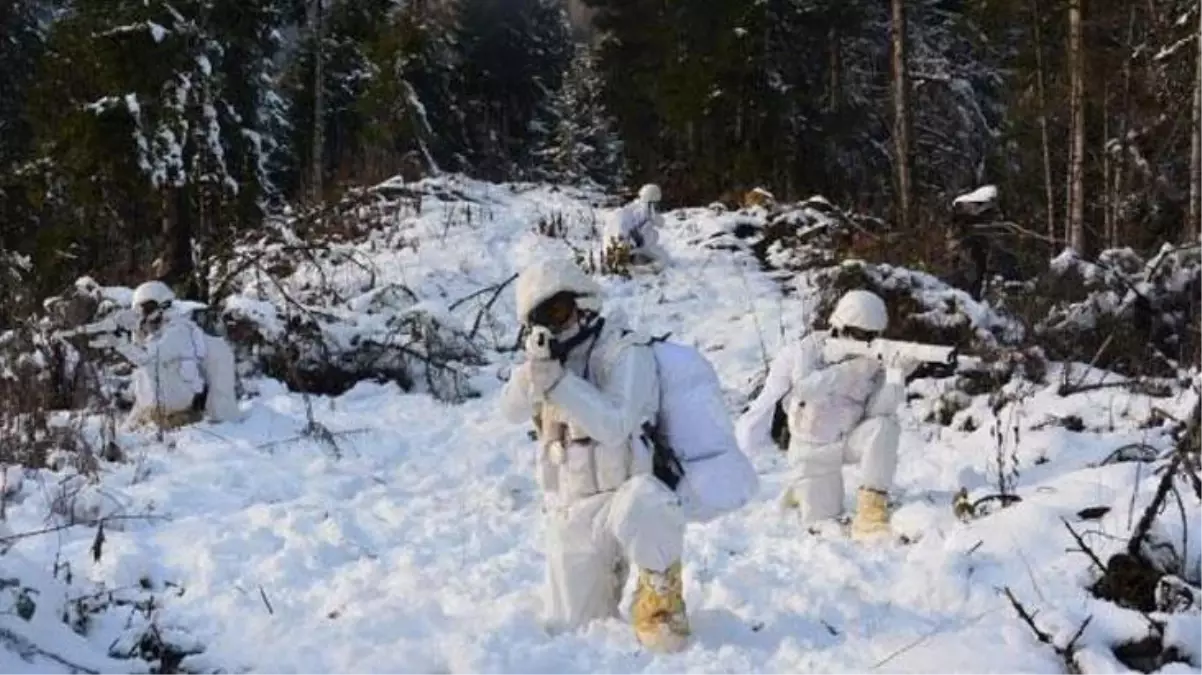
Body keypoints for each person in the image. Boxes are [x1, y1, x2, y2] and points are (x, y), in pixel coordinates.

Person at [499, 258, 690, 652]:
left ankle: (661, 600)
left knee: (647, 502)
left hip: (626, 499)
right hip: (574, 510)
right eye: (543, 318)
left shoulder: (624, 349)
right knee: (575, 632)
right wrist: (534, 372)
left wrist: (560, 383)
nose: (556, 324)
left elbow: (616, 423)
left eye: (560, 310)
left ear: (583, 304)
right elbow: (510, 411)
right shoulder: (549, 360)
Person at [735, 290, 915, 539]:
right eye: (862, 335)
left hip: (846, 442)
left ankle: (871, 512)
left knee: (885, 427)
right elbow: (804, 389)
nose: (867, 342)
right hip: (812, 453)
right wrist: (851, 369)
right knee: (823, 525)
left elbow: (877, 412)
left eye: (873, 336)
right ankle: (800, 490)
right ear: (840, 327)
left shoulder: (873, 361)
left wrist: (896, 375)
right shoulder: (805, 351)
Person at [119, 281, 236, 430]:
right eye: (141, 311)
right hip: (155, 415)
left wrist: (120, 344)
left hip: (179, 417)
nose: (144, 317)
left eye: (148, 309)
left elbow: (148, 358)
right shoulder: (154, 336)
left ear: (163, 306)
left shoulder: (179, 330)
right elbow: (146, 374)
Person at [603, 183, 669, 268]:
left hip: (620, 249)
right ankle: (647, 269)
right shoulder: (641, 212)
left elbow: (658, 222)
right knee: (663, 258)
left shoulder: (633, 210)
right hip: (628, 248)